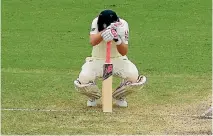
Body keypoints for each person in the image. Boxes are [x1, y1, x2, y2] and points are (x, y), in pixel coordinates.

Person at [74, 9, 147, 107]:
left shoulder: (123, 25)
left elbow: (124, 51)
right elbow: (92, 41)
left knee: (134, 77)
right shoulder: (96, 21)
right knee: (83, 78)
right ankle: (93, 96)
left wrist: (117, 39)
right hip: (97, 59)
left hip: (118, 59)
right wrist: (105, 32)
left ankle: (120, 96)